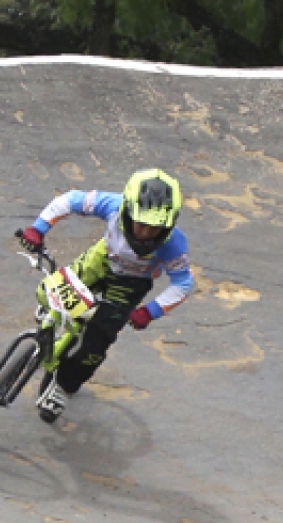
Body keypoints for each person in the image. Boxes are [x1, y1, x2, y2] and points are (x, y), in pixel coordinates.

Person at [14, 169, 195, 421]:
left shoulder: (174, 243)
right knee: (49, 291)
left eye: (154, 229)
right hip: (101, 260)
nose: (145, 234)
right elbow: (69, 200)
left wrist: (149, 311)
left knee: (96, 343)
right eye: (141, 224)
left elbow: (183, 283)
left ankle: (64, 386)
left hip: (130, 285)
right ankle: (55, 311)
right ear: (128, 210)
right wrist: (38, 228)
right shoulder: (113, 204)